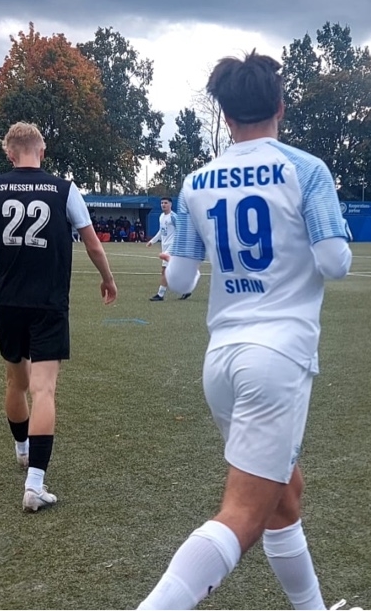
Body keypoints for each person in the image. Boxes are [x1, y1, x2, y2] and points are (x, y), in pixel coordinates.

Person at [138, 51, 352, 611]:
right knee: (243, 514)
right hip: (276, 358)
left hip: (222, 360)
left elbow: (180, 281)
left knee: (284, 496)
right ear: (280, 105)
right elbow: (335, 263)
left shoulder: (196, 182)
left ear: (226, 115)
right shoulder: (306, 169)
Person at [0, 122, 117, 513]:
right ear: (42, 149)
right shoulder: (64, 189)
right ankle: (34, 484)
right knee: (44, 390)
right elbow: (92, 243)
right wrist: (108, 279)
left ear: (9, 154)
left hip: (8, 302)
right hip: (48, 302)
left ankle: (22, 449)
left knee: (15, 382)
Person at [147, 197, 191, 301]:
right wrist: (152, 241)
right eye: (162, 203)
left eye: (165, 203)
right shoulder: (161, 216)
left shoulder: (173, 217)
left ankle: (160, 295)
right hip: (165, 246)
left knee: (165, 270)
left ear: (170, 204)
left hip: (172, 247)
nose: (163, 205)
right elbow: (161, 231)